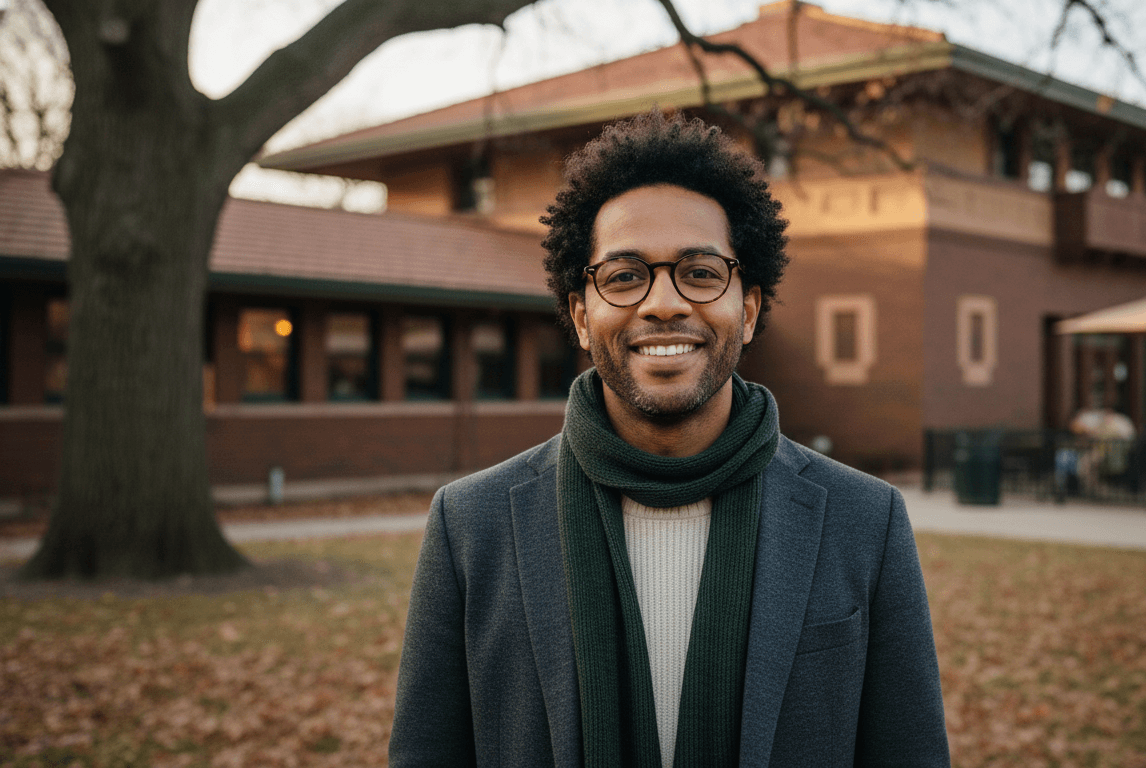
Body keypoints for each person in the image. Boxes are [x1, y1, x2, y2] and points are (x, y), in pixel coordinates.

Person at [389, 111, 949, 767]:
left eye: (701, 272)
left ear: (748, 307)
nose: (662, 303)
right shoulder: (470, 526)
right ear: (579, 313)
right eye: (624, 275)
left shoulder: (865, 520)